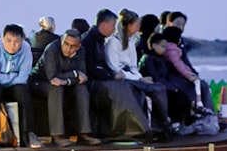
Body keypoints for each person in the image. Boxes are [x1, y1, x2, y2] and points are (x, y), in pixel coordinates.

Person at [82, 9, 151, 140]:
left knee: (127, 88)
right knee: (121, 89)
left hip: (103, 78)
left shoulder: (99, 40)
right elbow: (91, 69)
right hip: (94, 82)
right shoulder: (89, 41)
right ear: (104, 25)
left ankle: (135, 127)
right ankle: (130, 129)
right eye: (113, 24)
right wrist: (111, 76)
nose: (115, 27)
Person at [106, 9, 175, 136]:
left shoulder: (131, 42)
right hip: (120, 79)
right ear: (129, 25)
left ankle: (163, 123)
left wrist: (139, 77)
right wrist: (137, 79)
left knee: (159, 87)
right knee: (149, 90)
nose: (138, 27)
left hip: (131, 76)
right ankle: (156, 126)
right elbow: (114, 68)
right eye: (136, 25)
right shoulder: (113, 43)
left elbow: (133, 66)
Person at [29, 29, 98, 146]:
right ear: (61, 40)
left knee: (82, 88)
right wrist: (75, 74)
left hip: (65, 83)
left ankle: (84, 132)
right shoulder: (51, 49)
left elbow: (83, 76)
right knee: (55, 89)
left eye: (73, 46)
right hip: (40, 82)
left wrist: (66, 80)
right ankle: (58, 135)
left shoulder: (81, 51)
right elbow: (53, 77)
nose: (68, 49)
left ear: (78, 46)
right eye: (66, 44)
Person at [0, 24, 40, 149]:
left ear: (22, 41)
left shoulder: (25, 48)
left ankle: (29, 133)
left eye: (16, 42)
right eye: (8, 41)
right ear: (2, 39)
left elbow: (23, 78)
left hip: (15, 87)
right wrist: (13, 76)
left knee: (23, 90)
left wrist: (5, 76)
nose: (12, 45)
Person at [139, 32, 193, 126]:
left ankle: (181, 122)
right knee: (177, 98)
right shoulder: (149, 59)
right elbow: (155, 77)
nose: (165, 49)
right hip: (157, 85)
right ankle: (174, 123)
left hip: (165, 84)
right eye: (162, 46)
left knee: (183, 96)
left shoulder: (161, 58)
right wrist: (172, 88)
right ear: (154, 45)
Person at [162, 26, 213, 114]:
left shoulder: (171, 49)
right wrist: (189, 75)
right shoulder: (172, 50)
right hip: (174, 77)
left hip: (176, 75)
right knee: (194, 84)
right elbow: (178, 64)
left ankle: (198, 106)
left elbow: (181, 64)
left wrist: (189, 72)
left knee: (198, 83)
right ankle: (198, 105)